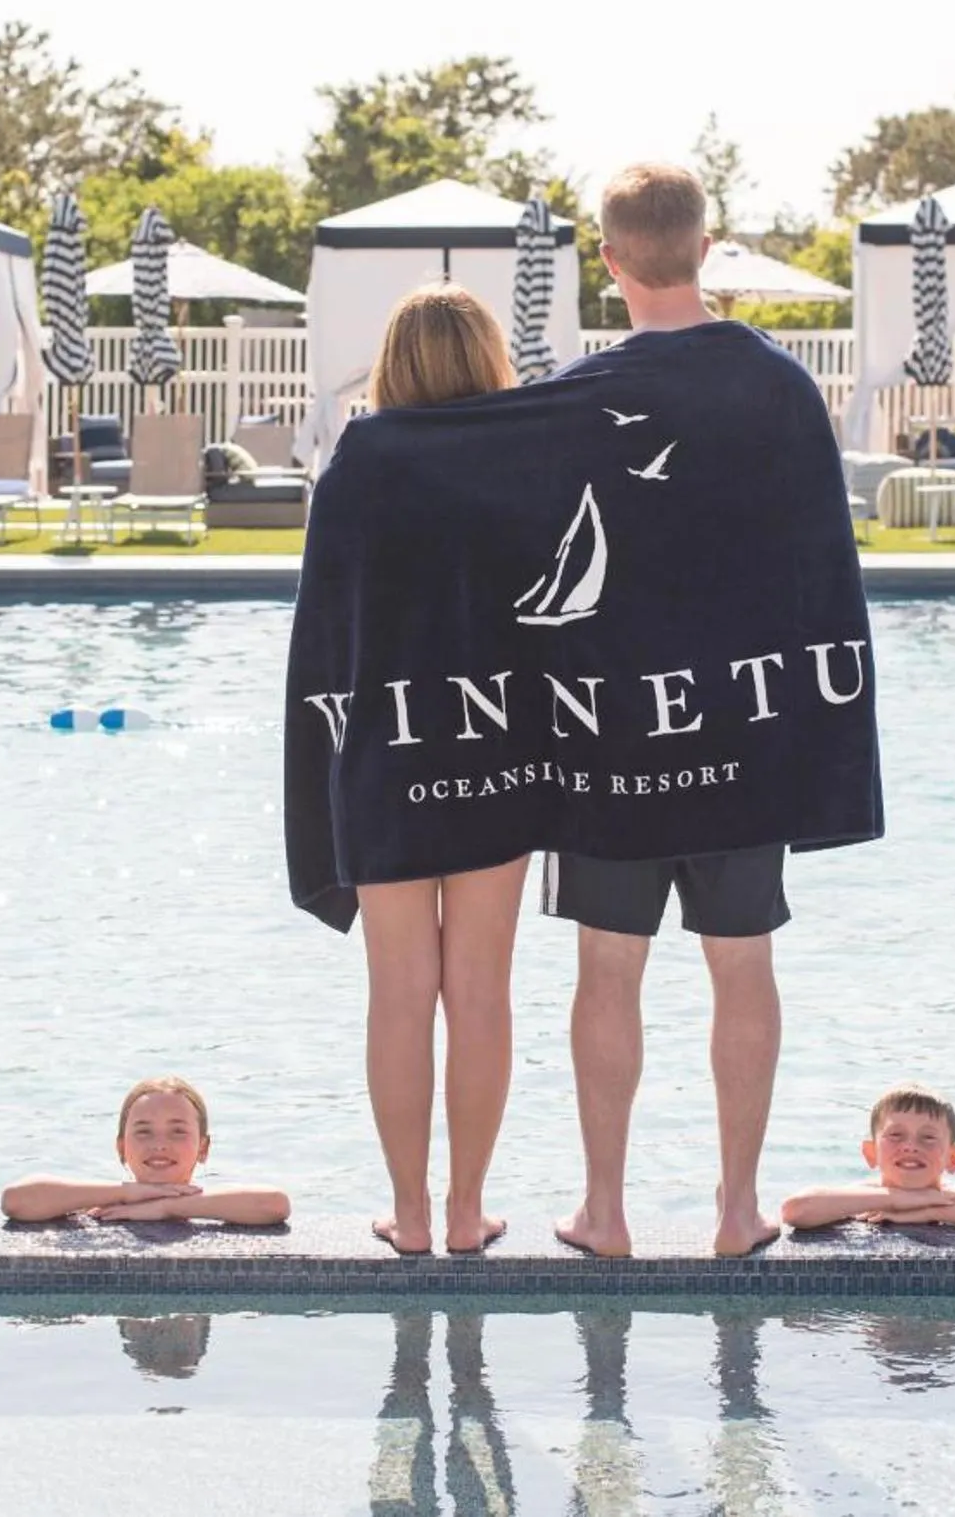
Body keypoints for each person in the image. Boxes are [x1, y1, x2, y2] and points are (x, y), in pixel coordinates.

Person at [547, 162, 847, 1259]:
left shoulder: (577, 394)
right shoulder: (781, 385)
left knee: (607, 966)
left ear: (609, 259)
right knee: (742, 961)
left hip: (614, 725)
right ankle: (735, 1209)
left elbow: (544, 564)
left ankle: (605, 1211)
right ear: (706, 247)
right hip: (745, 722)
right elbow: (824, 567)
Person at [353, 286, 531, 1255]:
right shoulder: (520, 455)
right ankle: (466, 1209)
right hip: (497, 743)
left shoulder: (361, 457)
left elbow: (326, 628)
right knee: (480, 988)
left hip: (384, 745)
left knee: (397, 991)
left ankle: (410, 1212)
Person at [0, 1075, 291, 1225]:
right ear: (121, 1147)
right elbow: (16, 1201)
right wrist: (127, 1193)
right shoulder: (102, 1206)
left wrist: (165, 1208)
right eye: (143, 1131)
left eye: (178, 1131)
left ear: (203, 1148)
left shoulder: (218, 1204)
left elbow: (274, 1205)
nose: (159, 1144)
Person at [778, 1084, 955, 1233]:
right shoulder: (861, 1197)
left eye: (928, 1138)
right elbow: (795, 1210)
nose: (910, 1147)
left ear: (953, 1158)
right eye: (896, 1135)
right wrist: (897, 1199)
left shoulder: (951, 1197)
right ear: (871, 1153)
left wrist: (928, 1210)